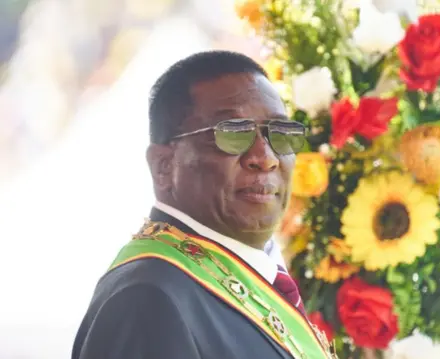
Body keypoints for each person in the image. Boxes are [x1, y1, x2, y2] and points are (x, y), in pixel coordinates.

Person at [71, 51, 335, 359]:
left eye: (281, 134)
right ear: (163, 166)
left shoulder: (240, 277)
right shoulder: (148, 299)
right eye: (234, 134)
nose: (265, 157)